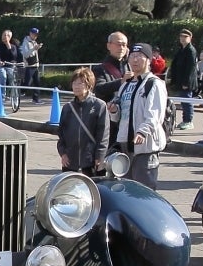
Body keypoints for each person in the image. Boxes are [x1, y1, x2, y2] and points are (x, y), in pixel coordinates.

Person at [107, 43, 167, 189]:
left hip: (145, 147)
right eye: (132, 56)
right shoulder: (125, 85)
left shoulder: (154, 84)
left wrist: (142, 131)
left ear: (148, 60)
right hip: (125, 145)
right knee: (127, 190)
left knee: (144, 191)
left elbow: (155, 114)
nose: (135, 60)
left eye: (139, 56)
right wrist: (114, 110)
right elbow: (118, 117)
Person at [56, 67, 109, 176]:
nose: (76, 86)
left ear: (89, 85)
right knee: (70, 190)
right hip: (70, 161)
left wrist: (100, 156)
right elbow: (61, 134)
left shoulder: (99, 106)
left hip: (90, 161)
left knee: (92, 190)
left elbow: (103, 134)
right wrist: (63, 153)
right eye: (74, 83)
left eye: (80, 83)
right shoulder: (67, 108)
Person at [93, 31, 132, 146]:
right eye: (118, 44)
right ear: (109, 46)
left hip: (128, 120)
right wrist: (121, 81)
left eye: (124, 45)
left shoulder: (130, 66)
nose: (121, 48)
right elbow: (99, 89)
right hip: (109, 121)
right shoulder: (101, 69)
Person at [168, 29, 198, 130]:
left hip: (187, 81)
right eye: (181, 36)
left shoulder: (191, 50)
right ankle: (185, 120)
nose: (183, 38)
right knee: (183, 101)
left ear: (190, 38)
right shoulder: (181, 49)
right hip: (180, 80)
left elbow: (190, 68)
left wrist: (186, 82)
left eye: (185, 37)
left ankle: (188, 120)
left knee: (187, 101)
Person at [20, 27, 43, 104]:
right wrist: (34, 48)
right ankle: (20, 91)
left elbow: (34, 53)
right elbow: (26, 54)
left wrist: (37, 48)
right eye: (34, 34)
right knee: (27, 82)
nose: (35, 36)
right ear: (30, 33)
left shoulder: (34, 42)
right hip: (29, 65)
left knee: (37, 82)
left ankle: (36, 98)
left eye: (36, 35)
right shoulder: (26, 42)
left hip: (35, 65)